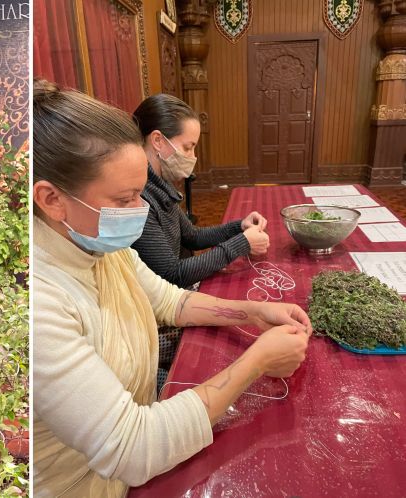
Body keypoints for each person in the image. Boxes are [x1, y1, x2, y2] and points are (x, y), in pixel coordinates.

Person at [32, 80, 311, 498]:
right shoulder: (40, 304)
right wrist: (256, 362)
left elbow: (170, 300)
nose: (138, 212)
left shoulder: (98, 245)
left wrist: (253, 313)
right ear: (52, 200)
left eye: (139, 194)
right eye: (125, 198)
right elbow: (133, 448)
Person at [131, 93, 270, 289]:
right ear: (158, 141)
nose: (192, 157)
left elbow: (193, 236)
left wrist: (240, 227)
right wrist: (241, 244)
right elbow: (173, 274)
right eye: (188, 148)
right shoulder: (138, 198)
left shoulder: (160, 184)